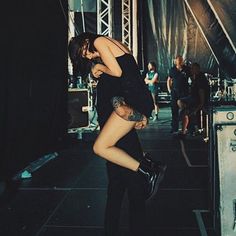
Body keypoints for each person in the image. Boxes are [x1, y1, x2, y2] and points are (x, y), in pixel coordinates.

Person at [68, 32, 166, 236]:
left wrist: (100, 67)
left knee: (100, 148)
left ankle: (149, 169)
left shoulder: (99, 42)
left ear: (84, 42)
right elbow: (125, 73)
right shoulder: (112, 45)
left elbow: (119, 74)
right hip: (134, 101)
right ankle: (146, 170)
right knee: (116, 182)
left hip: (131, 102)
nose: (87, 57)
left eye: (83, 53)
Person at [177, 62, 209, 136]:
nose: (191, 70)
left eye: (192, 69)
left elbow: (202, 94)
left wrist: (198, 107)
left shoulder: (200, 79)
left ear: (196, 69)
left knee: (181, 105)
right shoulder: (195, 76)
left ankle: (186, 129)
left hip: (197, 99)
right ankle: (185, 128)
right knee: (181, 106)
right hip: (193, 97)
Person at [167, 55, 191, 133]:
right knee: (174, 110)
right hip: (175, 92)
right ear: (175, 61)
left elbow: (192, 77)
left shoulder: (187, 69)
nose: (180, 62)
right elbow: (169, 80)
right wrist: (169, 89)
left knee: (185, 110)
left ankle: (187, 127)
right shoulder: (172, 70)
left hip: (184, 92)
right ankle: (174, 128)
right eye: (178, 60)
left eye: (181, 60)